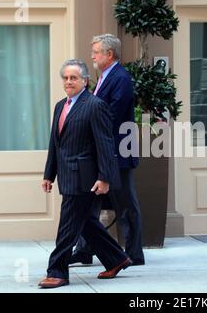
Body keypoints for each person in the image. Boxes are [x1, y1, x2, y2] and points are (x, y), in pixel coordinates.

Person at [38, 59, 132, 289]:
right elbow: (55, 143)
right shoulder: (60, 105)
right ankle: (116, 259)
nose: (69, 82)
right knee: (86, 222)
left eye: (74, 78)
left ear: (85, 81)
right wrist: (49, 174)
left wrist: (105, 177)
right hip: (67, 176)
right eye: (66, 78)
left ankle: (57, 271)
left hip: (86, 178)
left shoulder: (95, 105)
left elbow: (105, 145)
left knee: (68, 225)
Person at [70, 34, 145, 266]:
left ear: (109, 54)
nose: (92, 55)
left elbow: (111, 115)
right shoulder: (104, 77)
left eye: (96, 52)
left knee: (124, 204)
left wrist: (86, 128)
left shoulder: (120, 78)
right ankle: (84, 250)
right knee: (89, 203)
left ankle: (133, 253)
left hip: (117, 152)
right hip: (102, 152)